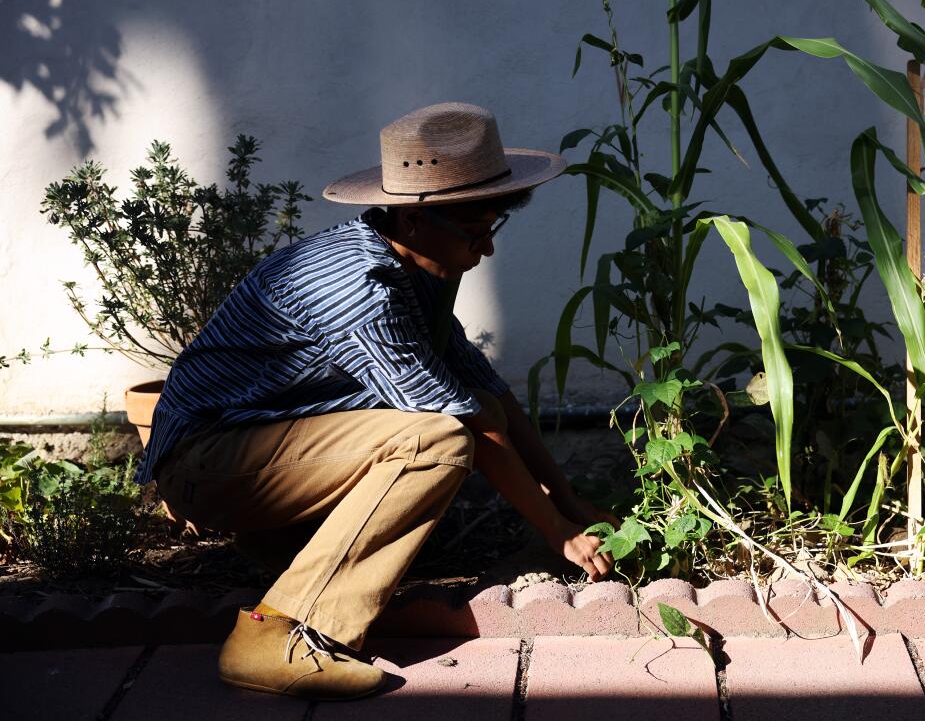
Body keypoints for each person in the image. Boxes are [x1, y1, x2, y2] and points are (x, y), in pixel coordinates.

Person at [138, 102, 615, 700]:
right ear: (414, 220)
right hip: (206, 465)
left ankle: (287, 555)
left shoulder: (414, 271)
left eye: (493, 229)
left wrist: (566, 500)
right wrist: (558, 533)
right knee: (434, 441)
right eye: (474, 234)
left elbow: (487, 394)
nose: (487, 251)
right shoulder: (360, 285)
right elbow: (460, 420)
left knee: (453, 420)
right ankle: (282, 636)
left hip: (263, 457)